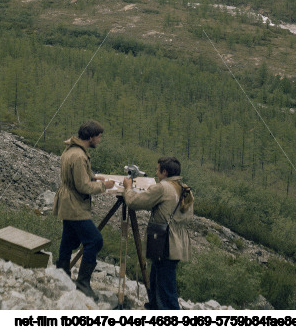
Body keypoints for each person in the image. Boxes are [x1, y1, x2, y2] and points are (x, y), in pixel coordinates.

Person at [53, 119, 115, 298]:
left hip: (67, 200)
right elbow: (83, 187)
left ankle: (62, 274)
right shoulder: (80, 156)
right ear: (90, 137)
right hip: (74, 203)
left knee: (68, 238)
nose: (99, 140)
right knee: (95, 240)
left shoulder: (71, 150)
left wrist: (94, 177)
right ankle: (83, 283)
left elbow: (78, 178)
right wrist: (105, 186)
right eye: (98, 137)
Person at [123, 156, 194, 310]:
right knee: (158, 277)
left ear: (165, 172)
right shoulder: (184, 188)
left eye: (157, 170)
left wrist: (128, 188)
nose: (156, 173)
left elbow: (134, 203)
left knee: (166, 288)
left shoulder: (162, 188)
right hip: (176, 240)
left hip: (164, 241)